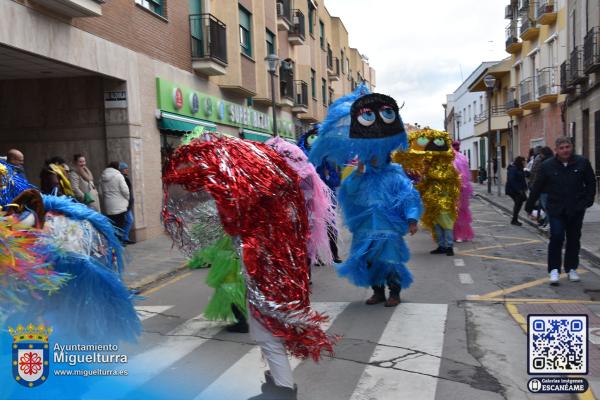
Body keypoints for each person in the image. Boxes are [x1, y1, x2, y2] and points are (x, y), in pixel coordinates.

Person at [309, 86, 423, 307]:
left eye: (375, 157)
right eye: (369, 157)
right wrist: (358, 174)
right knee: (369, 261)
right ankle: (378, 292)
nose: (372, 160)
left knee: (390, 261)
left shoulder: (395, 175)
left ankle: (395, 293)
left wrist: (411, 219)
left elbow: (409, 197)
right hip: (365, 229)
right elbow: (349, 193)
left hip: (387, 228)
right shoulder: (360, 176)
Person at [525, 137, 596, 285]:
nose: (565, 150)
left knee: (574, 238)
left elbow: (591, 182)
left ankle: (571, 268)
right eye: (562, 147)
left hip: (576, 208)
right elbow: (537, 186)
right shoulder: (547, 166)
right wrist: (529, 206)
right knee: (556, 237)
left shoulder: (582, 162)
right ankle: (554, 270)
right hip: (556, 208)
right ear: (556, 149)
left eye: (567, 147)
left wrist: (588, 201)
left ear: (571, 147)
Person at [393, 128, 460, 256]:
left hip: (444, 200)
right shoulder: (429, 167)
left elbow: (443, 177)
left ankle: (449, 246)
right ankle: (441, 245)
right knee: (436, 224)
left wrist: (428, 170)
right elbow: (426, 182)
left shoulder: (448, 167)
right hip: (432, 201)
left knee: (446, 224)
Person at [100, 161, 130, 241]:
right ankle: (118, 245)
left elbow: (101, 192)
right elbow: (125, 191)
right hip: (119, 206)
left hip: (108, 206)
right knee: (120, 227)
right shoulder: (119, 176)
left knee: (111, 226)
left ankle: (113, 245)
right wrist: (127, 199)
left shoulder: (102, 177)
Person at [452, 141, 474, 242]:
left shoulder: (455, 158)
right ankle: (459, 234)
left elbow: (462, 174)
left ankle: (458, 234)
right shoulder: (462, 157)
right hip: (461, 189)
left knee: (457, 211)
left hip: (458, 189)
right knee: (460, 211)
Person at [505, 156, 528, 226]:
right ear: (520, 162)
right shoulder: (513, 169)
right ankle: (514, 220)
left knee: (518, 203)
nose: (525, 163)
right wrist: (518, 190)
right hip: (513, 190)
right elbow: (512, 180)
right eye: (524, 161)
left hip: (517, 190)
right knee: (518, 203)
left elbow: (521, 178)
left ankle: (514, 219)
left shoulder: (519, 168)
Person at [118, 162, 135, 244]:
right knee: (129, 220)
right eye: (125, 169)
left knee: (128, 220)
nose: (127, 170)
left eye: (127, 168)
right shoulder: (122, 178)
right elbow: (125, 192)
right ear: (121, 170)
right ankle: (123, 238)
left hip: (127, 203)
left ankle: (125, 237)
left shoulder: (125, 177)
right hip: (125, 204)